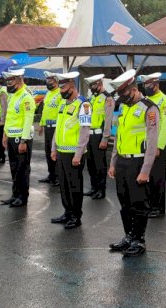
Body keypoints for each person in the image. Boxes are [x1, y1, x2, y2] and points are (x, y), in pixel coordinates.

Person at [107, 69, 160, 256]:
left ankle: (139, 240)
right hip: (122, 160)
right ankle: (128, 236)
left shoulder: (149, 108)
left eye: (124, 92)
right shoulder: (125, 108)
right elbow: (118, 137)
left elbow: (152, 143)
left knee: (138, 203)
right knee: (124, 202)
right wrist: (113, 163)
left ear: (133, 88)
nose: (121, 96)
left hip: (138, 162)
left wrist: (145, 170)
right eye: (119, 93)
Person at [49, 71, 91, 229]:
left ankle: (75, 216)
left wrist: (78, 154)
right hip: (61, 152)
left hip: (74, 154)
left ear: (72, 86)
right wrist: (54, 148)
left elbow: (84, 131)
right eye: (60, 89)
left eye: (64, 89)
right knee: (64, 185)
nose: (61, 92)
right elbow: (58, 128)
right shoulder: (62, 104)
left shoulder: (84, 105)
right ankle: (67, 212)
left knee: (74, 185)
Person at [138, 72, 166, 218]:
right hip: (144, 144)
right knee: (146, 175)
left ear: (156, 84)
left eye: (149, 85)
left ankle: (158, 208)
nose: (146, 88)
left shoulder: (164, 101)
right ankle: (148, 204)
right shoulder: (144, 100)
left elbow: (165, 125)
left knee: (157, 177)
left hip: (157, 145)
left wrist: (159, 146)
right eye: (145, 85)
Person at [0, 69, 35, 208]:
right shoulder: (12, 96)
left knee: (22, 168)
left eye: (11, 81)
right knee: (14, 168)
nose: (8, 84)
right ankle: (15, 194)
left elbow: (28, 120)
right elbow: (9, 118)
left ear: (19, 80)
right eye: (7, 81)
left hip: (21, 139)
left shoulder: (26, 97)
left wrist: (23, 141)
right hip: (11, 137)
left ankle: (22, 197)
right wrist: (5, 134)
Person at [83, 74, 115, 200]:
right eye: (90, 85)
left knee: (99, 164)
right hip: (89, 135)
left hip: (99, 135)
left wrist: (105, 138)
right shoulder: (92, 98)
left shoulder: (108, 98)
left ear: (100, 83)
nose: (91, 88)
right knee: (90, 163)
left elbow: (108, 120)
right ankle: (93, 187)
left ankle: (101, 190)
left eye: (93, 85)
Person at [37, 71, 62, 186]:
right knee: (48, 152)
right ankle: (51, 174)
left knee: (54, 152)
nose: (48, 83)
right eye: (47, 81)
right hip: (47, 127)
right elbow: (45, 111)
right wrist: (41, 125)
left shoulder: (60, 94)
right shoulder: (48, 93)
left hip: (56, 127)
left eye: (50, 81)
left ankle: (57, 176)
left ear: (56, 81)